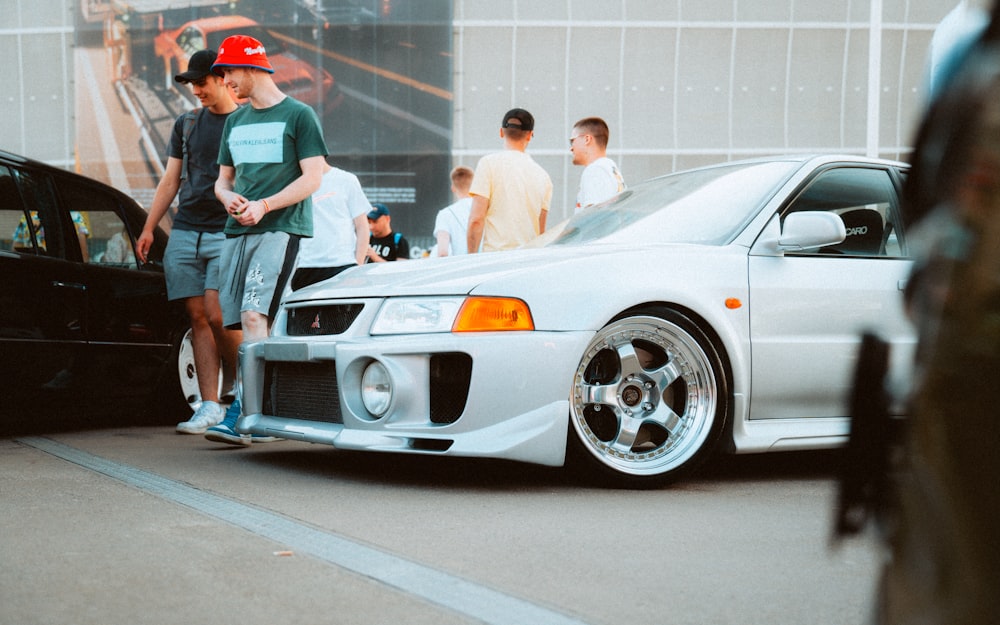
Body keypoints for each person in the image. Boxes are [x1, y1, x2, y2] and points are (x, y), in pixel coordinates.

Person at [205, 34, 328, 445]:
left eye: (228, 72)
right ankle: (264, 406)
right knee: (237, 321)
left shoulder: (299, 115)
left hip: (279, 227)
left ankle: (247, 409)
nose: (225, 81)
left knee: (257, 317)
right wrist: (228, 198)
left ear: (252, 68)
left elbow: (314, 176)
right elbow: (222, 182)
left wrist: (266, 205)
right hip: (237, 231)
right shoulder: (235, 121)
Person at [135, 49, 242, 435]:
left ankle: (243, 394)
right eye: (191, 83)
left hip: (225, 232)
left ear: (222, 78)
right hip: (185, 231)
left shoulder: (245, 121)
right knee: (197, 318)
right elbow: (170, 180)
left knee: (218, 315)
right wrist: (149, 227)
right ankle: (209, 405)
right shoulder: (187, 123)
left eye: (201, 82)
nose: (196, 89)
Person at [467, 108, 553, 253]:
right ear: (530, 135)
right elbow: (540, 232)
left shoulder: (488, 164)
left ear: (501, 132)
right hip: (527, 260)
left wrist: (471, 257)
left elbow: (476, 220)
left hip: (495, 259)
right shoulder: (543, 177)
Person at [290, 160, 370, 290]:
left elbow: (362, 226)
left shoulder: (346, 180)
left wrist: (357, 267)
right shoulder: (295, 184)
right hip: (306, 267)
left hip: (343, 265)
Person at [570, 116, 625, 213]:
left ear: (587, 139)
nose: (571, 148)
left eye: (572, 141)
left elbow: (593, 218)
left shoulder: (595, 170)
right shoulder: (610, 167)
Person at [433, 166, 474, 256]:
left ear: (453, 188)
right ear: (474, 186)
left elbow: (442, 252)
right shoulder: (487, 210)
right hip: (487, 266)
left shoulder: (445, 214)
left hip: (460, 266)